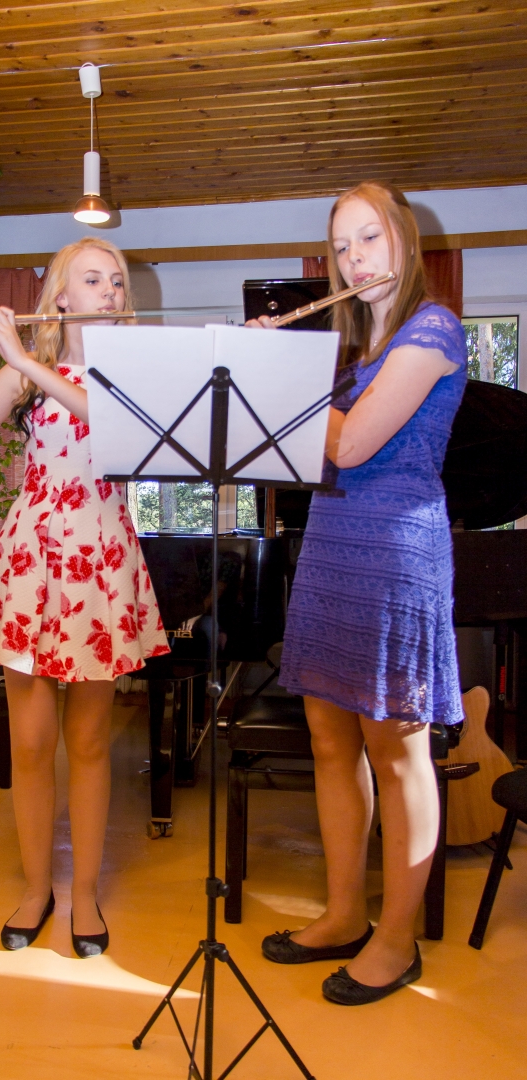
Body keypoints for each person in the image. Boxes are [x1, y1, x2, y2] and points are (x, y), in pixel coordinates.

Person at [0, 237, 169, 957]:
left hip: (100, 561)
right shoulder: (26, 373)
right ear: (60, 296)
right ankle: (34, 887)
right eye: (94, 279)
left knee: (90, 743)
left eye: (117, 282)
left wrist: (24, 362)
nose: (110, 292)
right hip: (32, 560)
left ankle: (85, 893)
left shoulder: (129, 373)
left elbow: (107, 418)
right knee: (29, 743)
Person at [248, 182, 467, 1005]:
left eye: (368, 238)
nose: (354, 259)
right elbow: (303, 451)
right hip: (333, 546)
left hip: (396, 553)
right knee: (328, 739)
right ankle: (344, 914)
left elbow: (355, 443)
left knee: (396, 748)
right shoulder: (347, 354)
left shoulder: (433, 329)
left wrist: (277, 371)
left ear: (403, 239)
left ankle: (397, 938)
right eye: (341, 247)